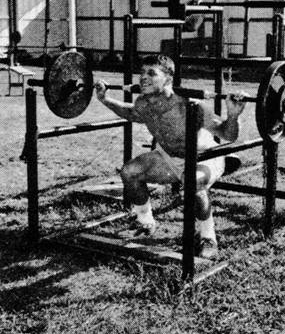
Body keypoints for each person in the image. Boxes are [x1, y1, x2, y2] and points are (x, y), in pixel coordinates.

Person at [95, 54, 246, 259]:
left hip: (203, 156)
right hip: (168, 157)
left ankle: (208, 236)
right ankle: (145, 221)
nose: (143, 78)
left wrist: (234, 115)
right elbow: (130, 113)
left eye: (151, 73)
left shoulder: (191, 105)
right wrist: (105, 99)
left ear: (167, 79)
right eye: (142, 73)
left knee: (192, 182)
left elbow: (228, 134)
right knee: (129, 171)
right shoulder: (144, 103)